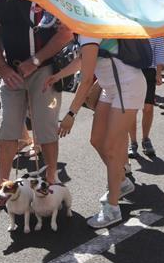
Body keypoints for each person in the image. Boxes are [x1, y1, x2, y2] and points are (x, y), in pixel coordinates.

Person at [0, 0, 72, 205]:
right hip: (12, 69)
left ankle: (51, 181)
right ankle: (2, 185)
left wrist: (35, 61)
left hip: (45, 69)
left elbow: (66, 33)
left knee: (46, 128)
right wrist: (1, 67)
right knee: (8, 127)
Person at [58, 36, 147, 228]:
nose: (58, 23)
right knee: (97, 139)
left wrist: (71, 113)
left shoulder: (88, 31)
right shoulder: (83, 31)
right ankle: (121, 182)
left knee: (111, 148)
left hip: (127, 87)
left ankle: (112, 209)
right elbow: (82, 61)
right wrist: (56, 77)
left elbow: (87, 78)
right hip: (111, 87)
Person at [128, 36, 164, 158]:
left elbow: (160, 50)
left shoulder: (155, 26)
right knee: (132, 110)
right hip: (132, 70)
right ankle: (133, 142)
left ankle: (146, 139)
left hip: (149, 71)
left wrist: (159, 72)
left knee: (148, 107)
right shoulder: (131, 26)